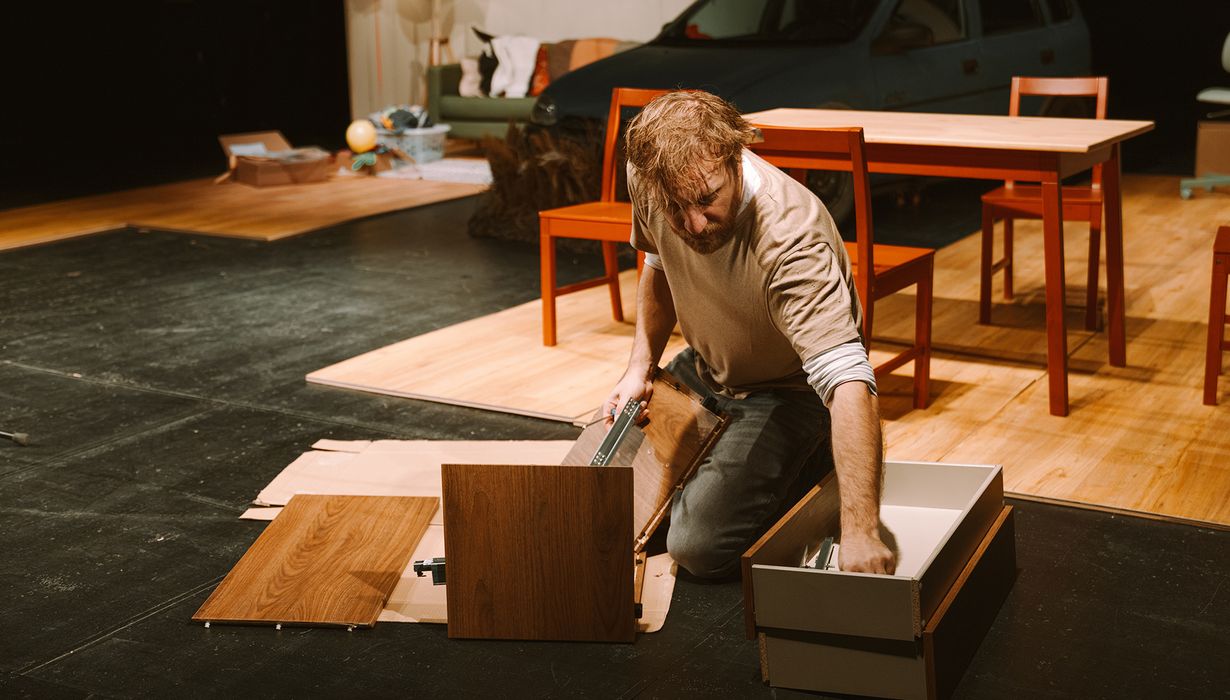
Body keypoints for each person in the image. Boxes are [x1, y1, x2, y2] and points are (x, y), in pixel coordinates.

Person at [603, 90, 896, 577]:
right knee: (610, 500)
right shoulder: (650, 174)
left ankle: (817, 453)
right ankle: (733, 467)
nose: (693, 224)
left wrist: (861, 530)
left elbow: (848, 380)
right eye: (675, 207)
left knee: (696, 548)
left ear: (735, 157)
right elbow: (657, 262)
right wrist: (638, 368)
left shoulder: (791, 239)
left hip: (787, 390)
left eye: (706, 199)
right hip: (707, 366)